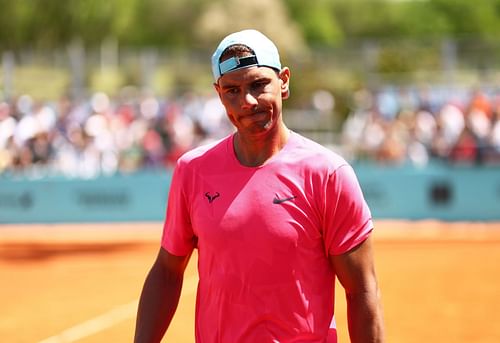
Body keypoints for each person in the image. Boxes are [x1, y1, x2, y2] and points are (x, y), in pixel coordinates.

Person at [134, 29, 385, 343]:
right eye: (232, 90)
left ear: (284, 81)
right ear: (218, 93)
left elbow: (362, 291)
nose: (247, 101)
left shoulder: (328, 174)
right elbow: (168, 271)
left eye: (258, 84)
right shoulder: (192, 171)